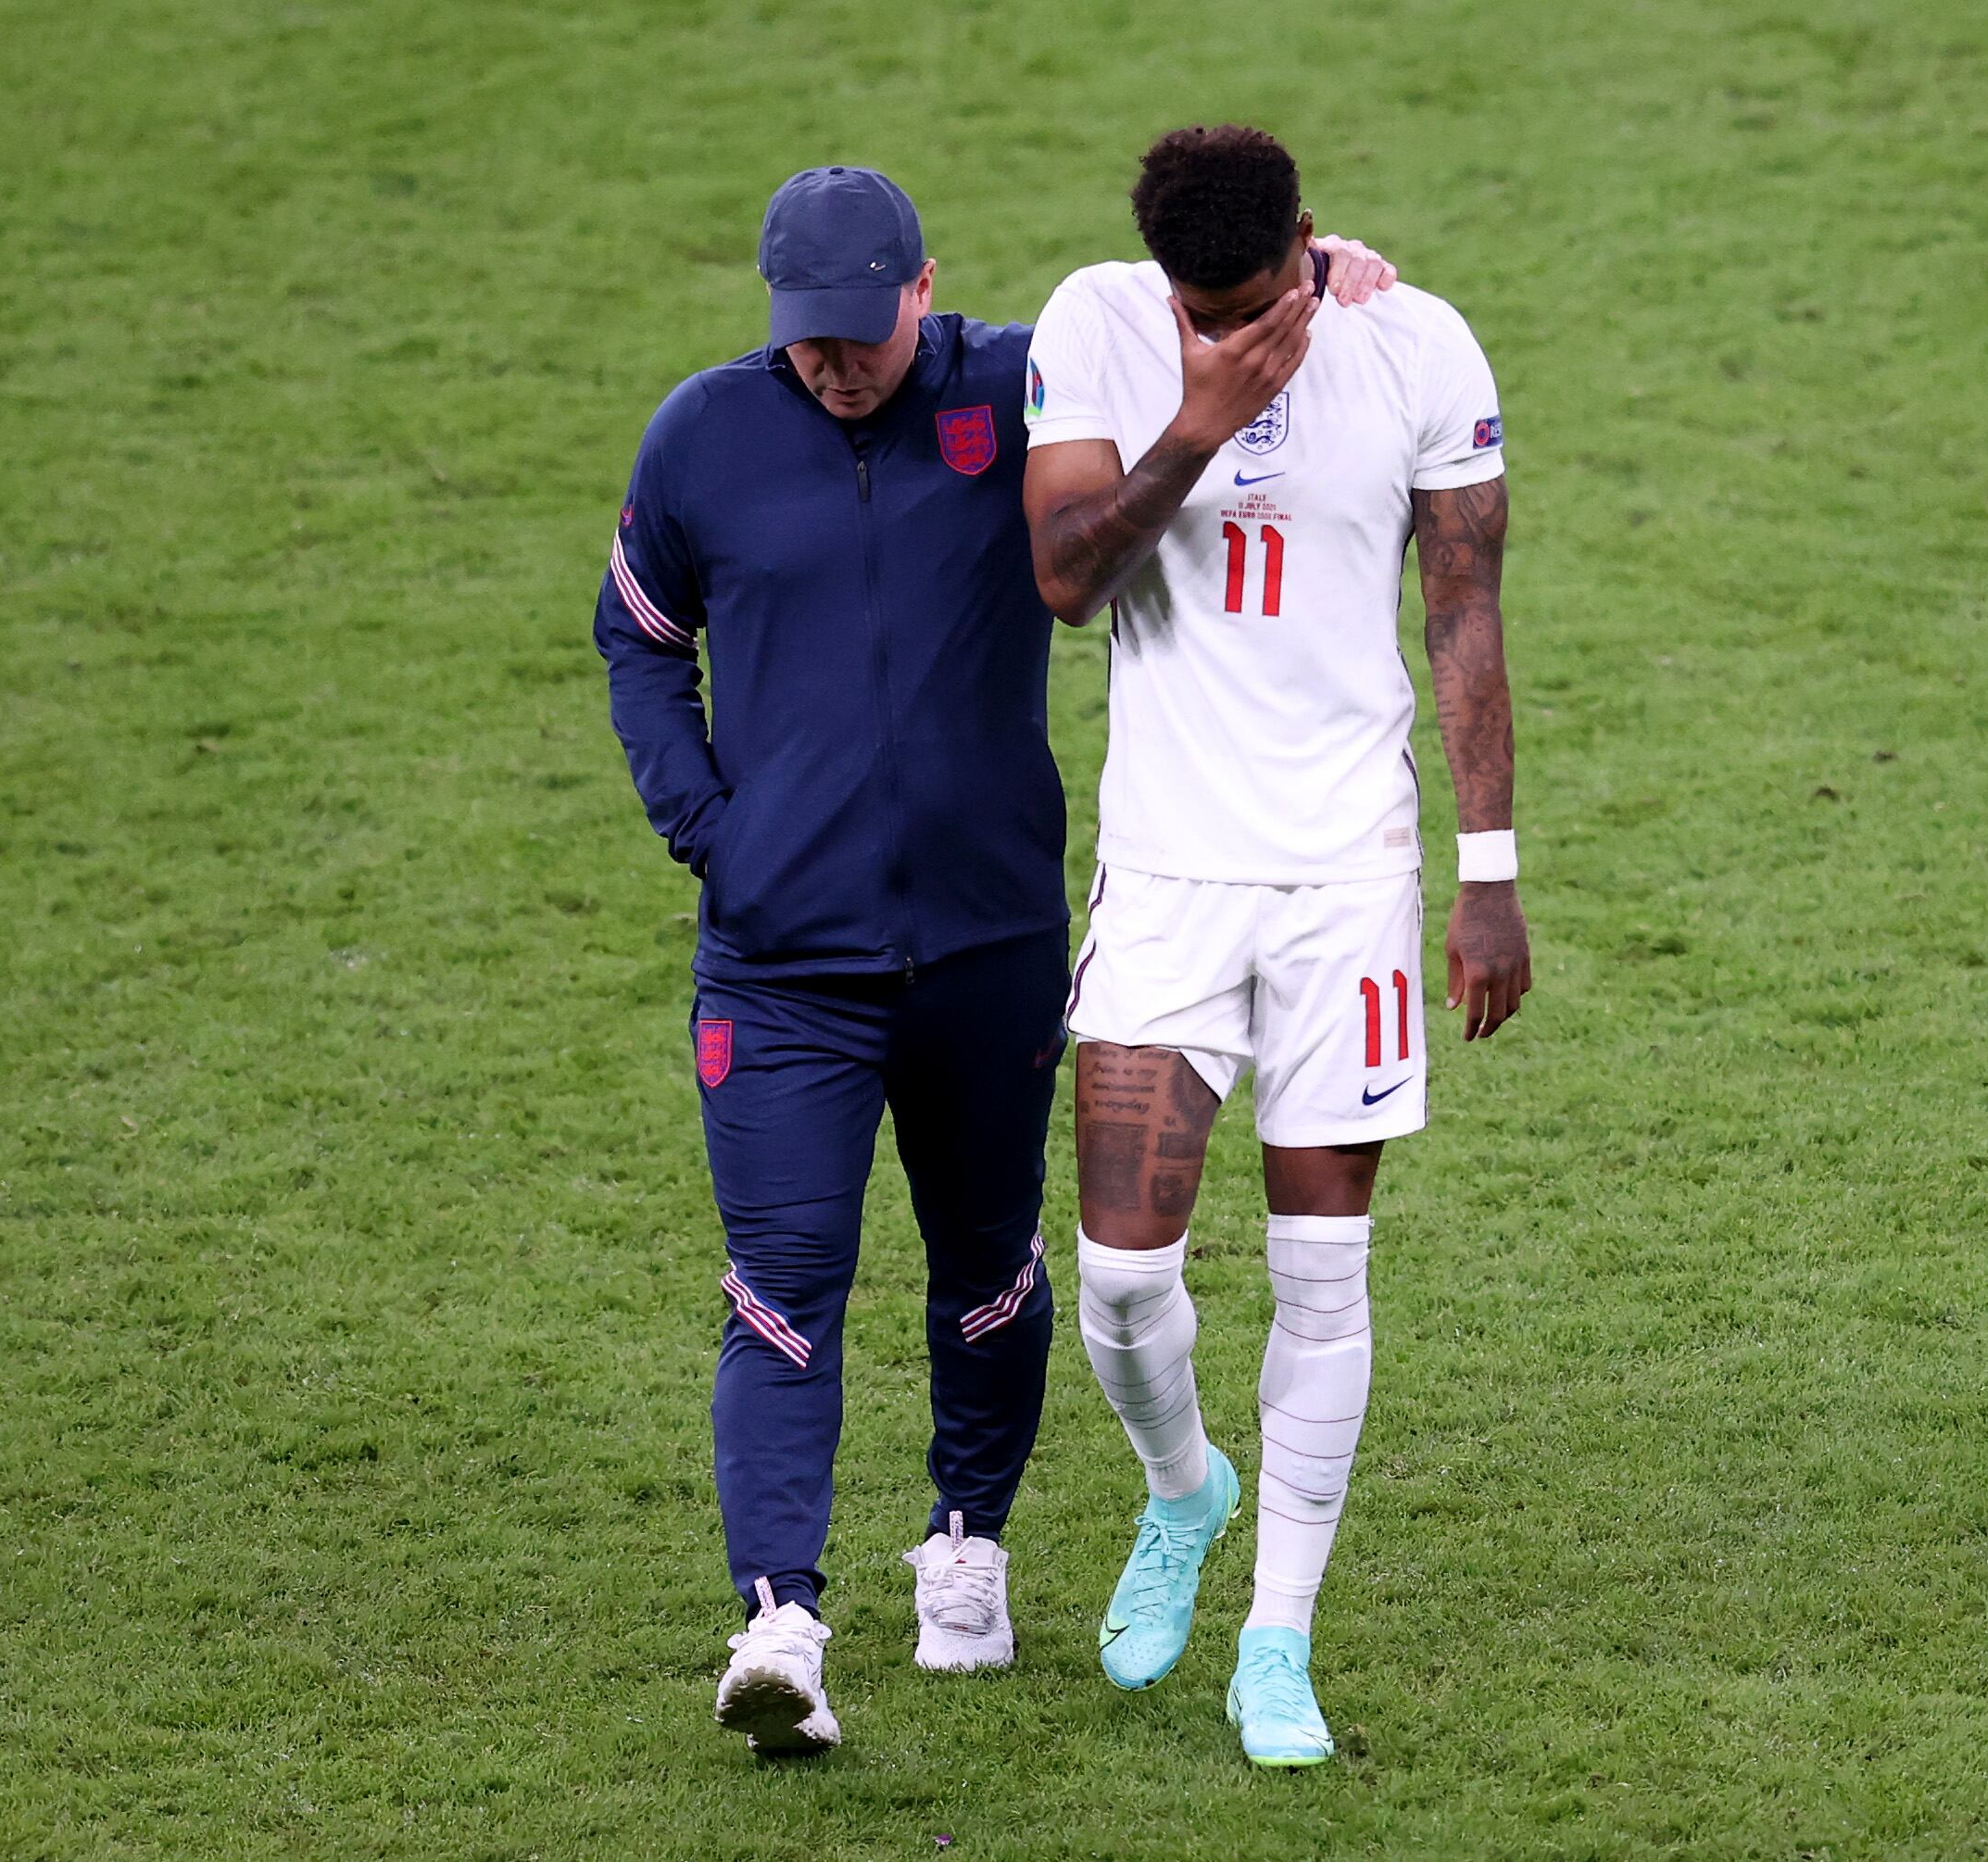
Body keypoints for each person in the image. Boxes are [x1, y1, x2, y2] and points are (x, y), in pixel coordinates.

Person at [592, 163, 1396, 1755]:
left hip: (990, 945)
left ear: (921, 288)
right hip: (781, 966)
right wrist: (710, 829)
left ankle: (968, 1544)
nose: (836, 365)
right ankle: (782, 1621)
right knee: (782, 1288)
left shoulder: (1025, 379)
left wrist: (1327, 268)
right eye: (807, 341)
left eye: (862, 335)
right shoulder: (704, 435)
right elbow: (636, 634)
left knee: (991, 1273)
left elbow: (1213, 326)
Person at [1020, 124, 1533, 1768]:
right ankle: (1184, 1490)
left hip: (1344, 881)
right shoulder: (1099, 324)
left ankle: (1278, 1637)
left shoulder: (1413, 341)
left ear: (1309, 248)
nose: (1221, 329)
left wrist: (1489, 869)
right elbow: (1064, 578)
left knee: (1323, 1275)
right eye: (1196, 304)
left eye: (1247, 304)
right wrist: (1199, 418)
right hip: (1169, 872)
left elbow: (1461, 604)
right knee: (1117, 1278)